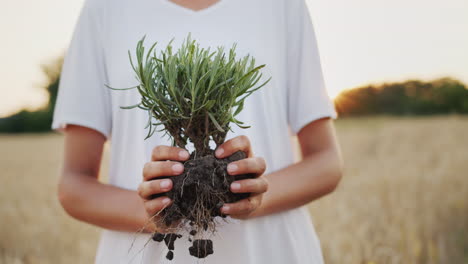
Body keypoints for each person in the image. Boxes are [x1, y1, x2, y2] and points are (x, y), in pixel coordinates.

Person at [52, 0, 343, 263]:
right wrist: (153, 212)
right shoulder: (104, 9)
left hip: (272, 252)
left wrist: (255, 195)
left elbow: (327, 162)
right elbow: (73, 185)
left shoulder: (283, 6)